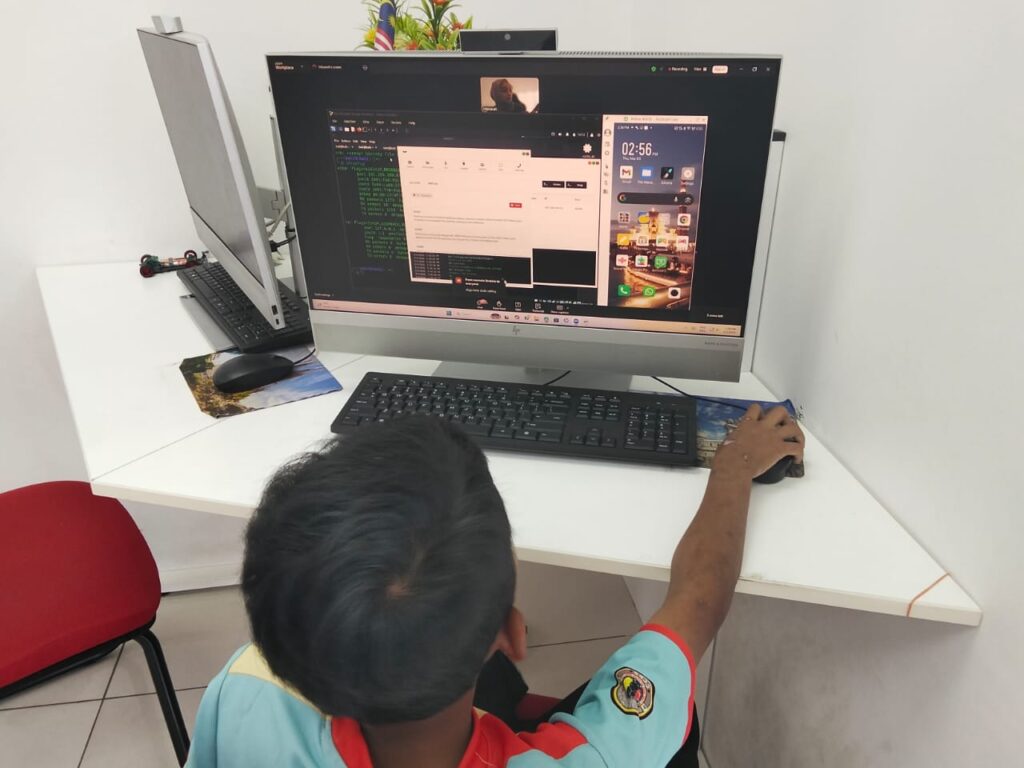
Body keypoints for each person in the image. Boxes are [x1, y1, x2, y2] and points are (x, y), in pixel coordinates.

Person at [186, 406, 804, 767]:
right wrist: (734, 464)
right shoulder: (592, 759)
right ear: (512, 633)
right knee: (677, 715)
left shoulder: (244, 687)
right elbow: (696, 601)